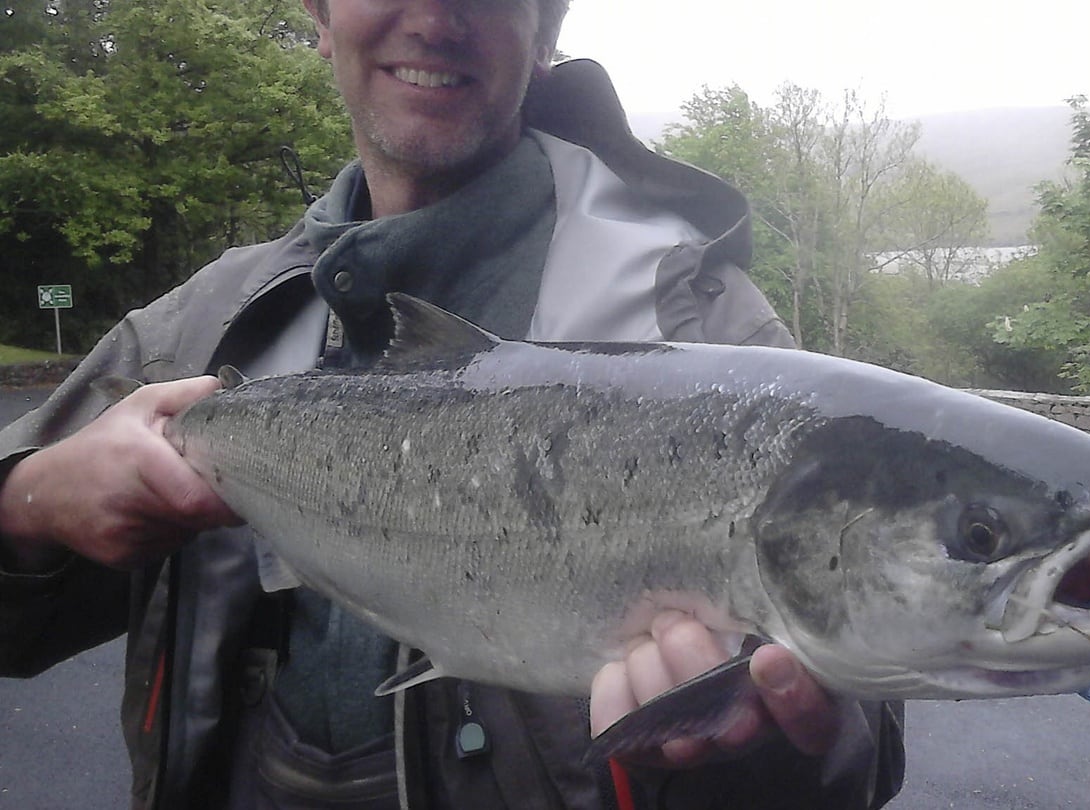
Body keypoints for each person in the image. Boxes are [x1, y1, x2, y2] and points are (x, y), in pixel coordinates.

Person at [0, 1, 905, 808]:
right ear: (319, 15)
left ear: (546, 31)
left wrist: (769, 755)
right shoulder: (192, 328)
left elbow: (864, 751)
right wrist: (29, 507)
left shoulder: (708, 328)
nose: (435, 19)